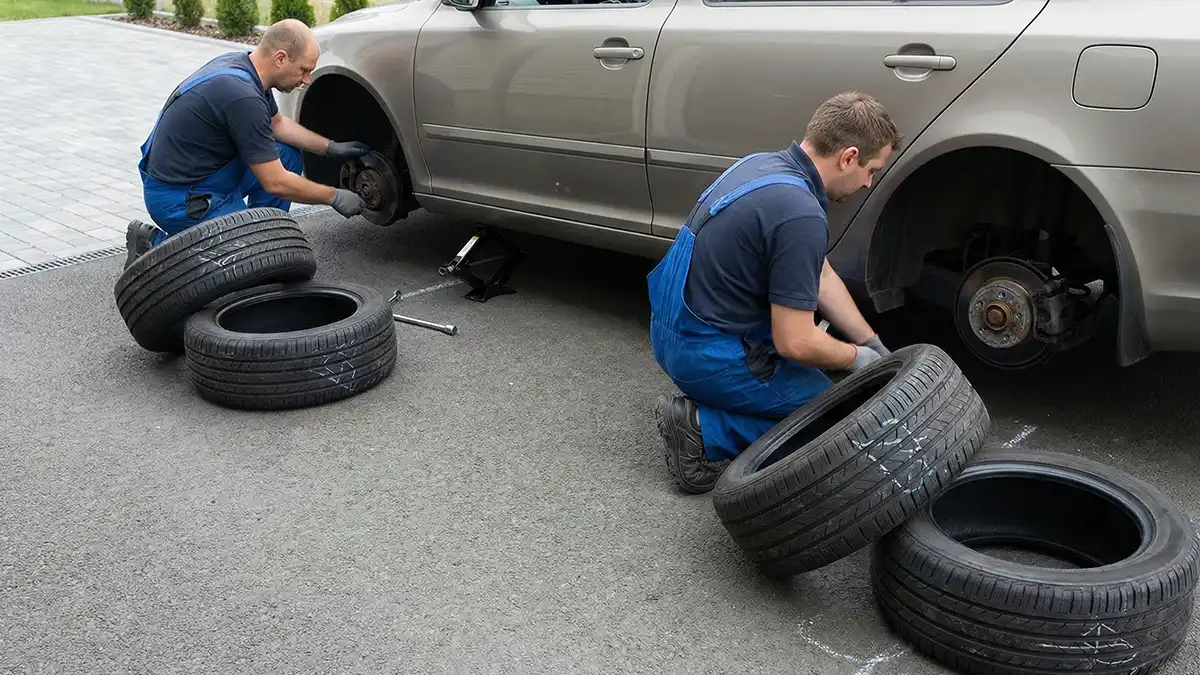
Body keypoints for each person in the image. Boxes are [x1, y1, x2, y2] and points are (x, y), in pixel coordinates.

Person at [648, 91, 904, 494]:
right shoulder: (799, 213)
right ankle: (703, 429)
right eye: (871, 169)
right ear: (848, 156)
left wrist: (871, 342)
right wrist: (857, 359)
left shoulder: (761, 165)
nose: (869, 182)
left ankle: (728, 404)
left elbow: (818, 274)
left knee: (824, 377)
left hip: (674, 330)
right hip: (707, 354)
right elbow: (795, 341)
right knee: (842, 420)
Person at [125, 18, 373, 267]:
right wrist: (334, 196)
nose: (306, 79)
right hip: (179, 198)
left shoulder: (248, 69)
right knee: (245, 262)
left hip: (206, 175)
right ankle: (153, 244)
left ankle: (264, 232)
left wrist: (330, 147)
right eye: (303, 70)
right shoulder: (241, 95)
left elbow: (277, 125)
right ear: (280, 58)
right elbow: (275, 182)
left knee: (286, 153)